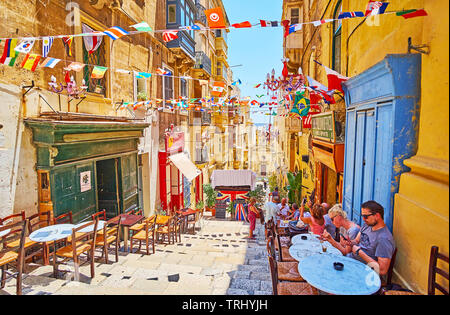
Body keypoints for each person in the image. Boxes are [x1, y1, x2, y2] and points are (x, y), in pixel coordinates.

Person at [343, 200, 395, 277]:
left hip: (364, 271)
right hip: (351, 261)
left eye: (366, 216)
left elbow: (382, 270)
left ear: (377, 216)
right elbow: (357, 240)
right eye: (362, 216)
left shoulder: (384, 239)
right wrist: (350, 242)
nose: (363, 219)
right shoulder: (367, 225)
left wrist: (359, 253)